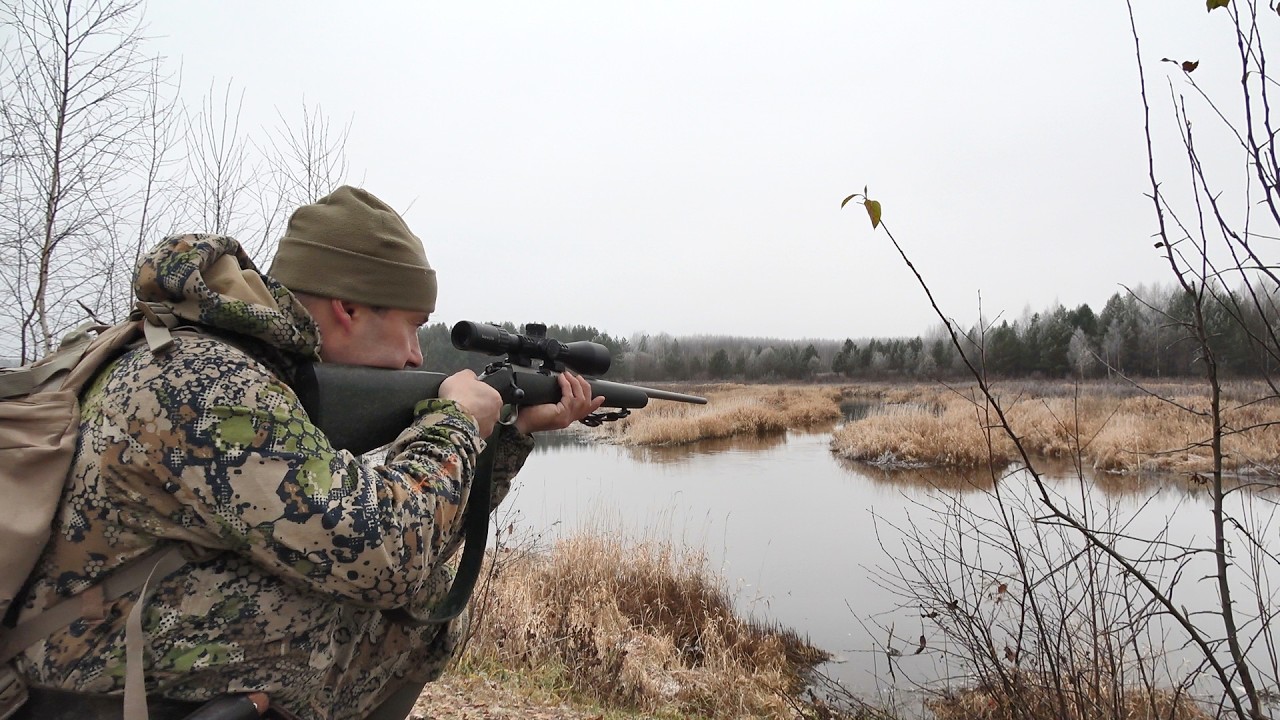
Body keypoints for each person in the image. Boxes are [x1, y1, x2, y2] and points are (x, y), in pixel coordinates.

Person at [8, 186, 603, 719]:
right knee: (418, 616)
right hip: (75, 686)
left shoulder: (214, 359)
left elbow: (404, 541)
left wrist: (508, 435)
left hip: (95, 639)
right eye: (412, 325)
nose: (418, 356)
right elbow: (388, 557)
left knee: (420, 600)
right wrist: (459, 422)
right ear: (348, 307)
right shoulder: (210, 384)